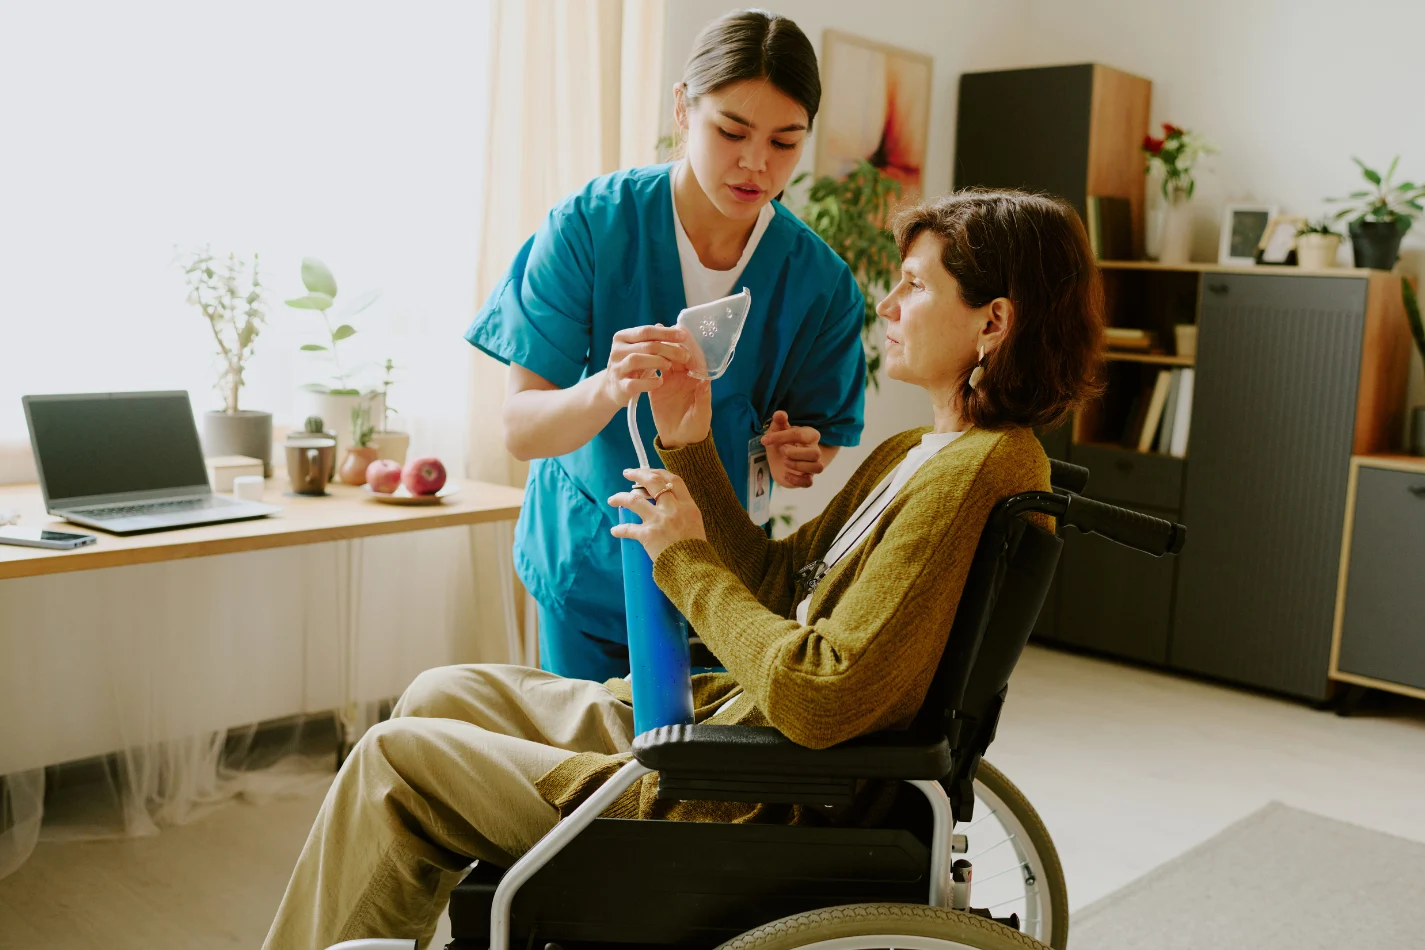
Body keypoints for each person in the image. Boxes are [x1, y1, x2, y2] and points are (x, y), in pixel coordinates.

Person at [262, 189, 1104, 949]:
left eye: (913, 285)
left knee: (392, 759)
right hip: (731, 731)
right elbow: (782, 583)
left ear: (992, 323)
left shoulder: (977, 474)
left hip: (739, 789)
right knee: (441, 693)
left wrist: (684, 557)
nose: (885, 303)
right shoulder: (920, 452)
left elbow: (824, 693)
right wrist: (693, 441)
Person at [466, 9, 867, 682]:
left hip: (719, 577)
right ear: (682, 108)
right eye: (731, 131)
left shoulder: (819, 283)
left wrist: (799, 453)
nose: (755, 164)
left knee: (698, 779)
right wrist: (609, 387)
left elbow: (817, 439)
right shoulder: (590, 227)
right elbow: (521, 430)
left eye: (785, 142)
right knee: (584, 774)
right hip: (590, 564)